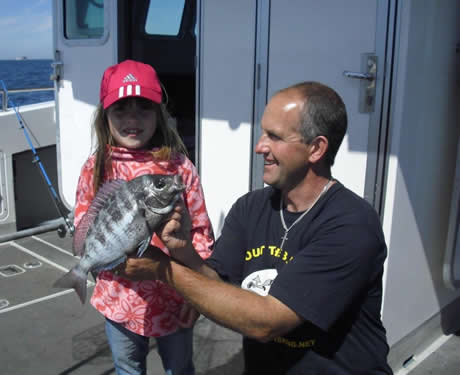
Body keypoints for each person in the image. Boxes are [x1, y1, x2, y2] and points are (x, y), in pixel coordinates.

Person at [123, 82, 393, 374]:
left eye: (274, 137)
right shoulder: (250, 208)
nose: (259, 146)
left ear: (316, 148)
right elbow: (216, 281)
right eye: (263, 132)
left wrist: (163, 268)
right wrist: (183, 250)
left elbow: (267, 321)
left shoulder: (351, 225)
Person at [73, 59, 214, 375]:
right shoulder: (95, 166)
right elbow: (85, 219)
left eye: (144, 108)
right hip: (117, 299)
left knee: (180, 369)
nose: (132, 118)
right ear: (105, 115)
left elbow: (201, 234)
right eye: (121, 109)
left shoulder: (180, 168)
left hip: (175, 297)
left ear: (159, 114)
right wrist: (92, 261)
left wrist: (199, 293)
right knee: (127, 368)